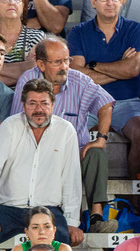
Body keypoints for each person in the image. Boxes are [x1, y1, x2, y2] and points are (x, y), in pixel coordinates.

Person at [0, 79, 83, 251]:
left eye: (44, 103)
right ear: (23, 105)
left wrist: (72, 221)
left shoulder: (66, 131)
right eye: (32, 103)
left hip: (49, 210)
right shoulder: (10, 126)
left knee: (62, 243)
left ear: (53, 104)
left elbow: (71, 178)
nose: (38, 109)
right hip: (10, 208)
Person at [10, 37, 116, 228]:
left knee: (96, 153)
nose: (64, 66)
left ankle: (96, 217)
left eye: (67, 60)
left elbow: (106, 104)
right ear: (41, 64)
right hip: (39, 157)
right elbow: (18, 124)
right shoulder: (28, 80)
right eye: (57, 62)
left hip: (75, 155)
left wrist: (101, 138)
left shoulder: (80, 80)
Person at [67, 0, 140, 178]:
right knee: (66, 134)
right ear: (93, 3)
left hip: (126, 102)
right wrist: (121, 67)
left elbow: (133, 69)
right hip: (87, 102)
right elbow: (78, 76)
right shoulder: (78, 32)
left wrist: (93, 65)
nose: (110, 3)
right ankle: (70, 192)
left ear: (123, 2)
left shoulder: (136, 30)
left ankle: (134, 199)